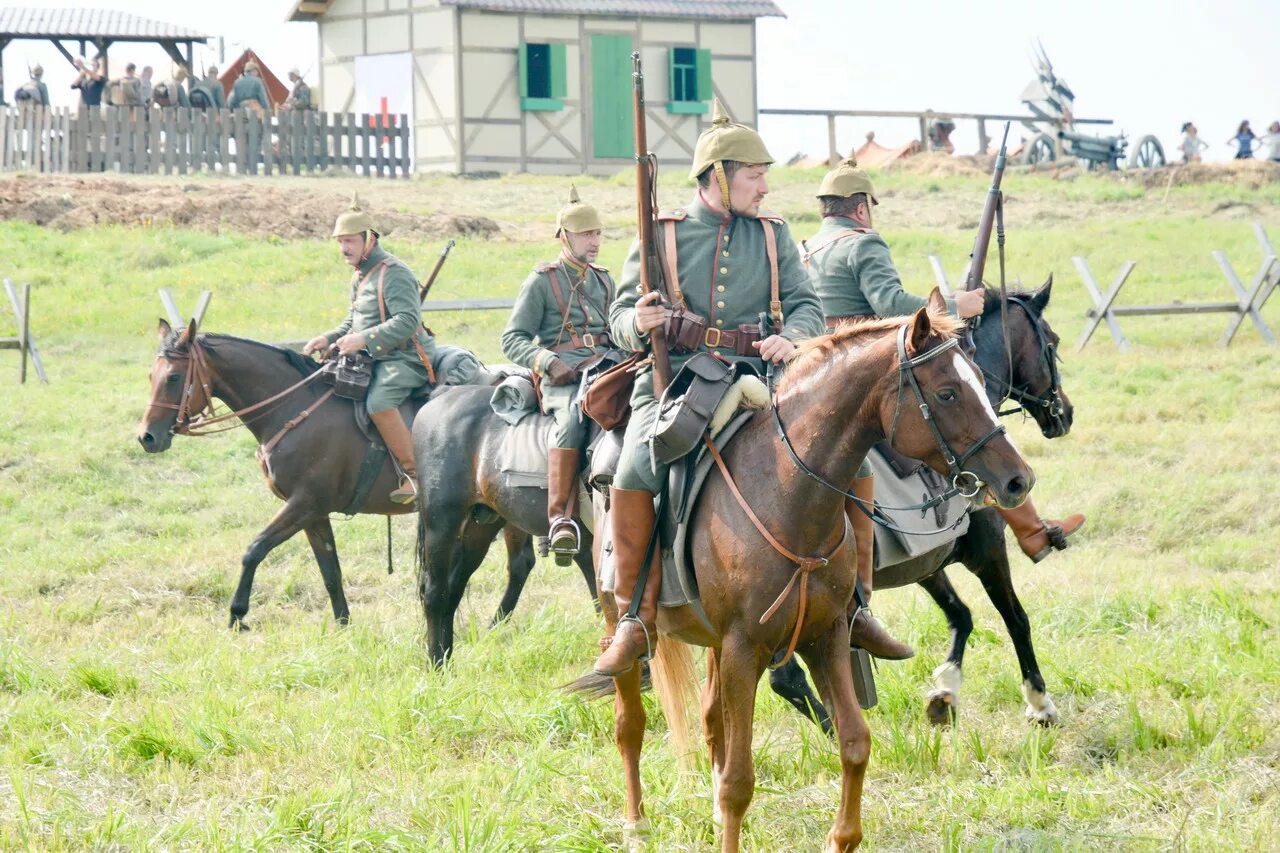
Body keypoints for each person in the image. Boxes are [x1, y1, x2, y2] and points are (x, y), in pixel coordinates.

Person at [804, 154, 1086, 659]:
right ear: (862, 209)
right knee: (968, 427)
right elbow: (891, 301)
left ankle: (1029, 529)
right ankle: (1029, 532)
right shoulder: (863, 243)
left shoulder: (809, 248)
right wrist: (959, 307)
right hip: (872, 372)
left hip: (830, 372)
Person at [594, 99, 826, 677]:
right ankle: (635, 617)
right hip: (676, 381)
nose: (765, 188)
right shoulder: (661, 234)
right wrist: (638, 324)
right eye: (755, 176)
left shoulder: (774, 235)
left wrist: (793, 338)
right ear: (718, 176)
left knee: (846, 448)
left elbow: (806, 306)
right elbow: (619, 317)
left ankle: (856, 603)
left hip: (760, 378)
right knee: (636, 469)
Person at [501, 186, 616, 564]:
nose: (594, 241)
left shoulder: (603, 280)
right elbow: (513, 339)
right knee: (570, 422)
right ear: (564, 237)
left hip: (607, 365)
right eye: (586, 234)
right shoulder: (542, 280)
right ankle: (561, 520)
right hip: (563, 377)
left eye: (597, 233)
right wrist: (548, 362)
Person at [302, 197, 437, 504]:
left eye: (349, 241)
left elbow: (407, 321)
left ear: (370, 239)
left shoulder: (394, 272)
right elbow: (353, 321)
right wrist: (329, 338)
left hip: (405, 357)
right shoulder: (360, 276)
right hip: (374, 356)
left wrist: (362, 341)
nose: (344, 249)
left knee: (378, 402)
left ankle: (416, 476)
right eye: (340, 242)